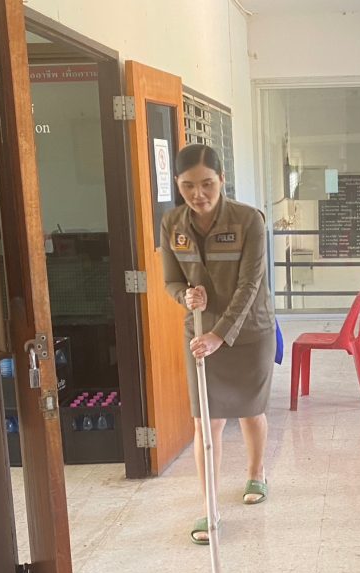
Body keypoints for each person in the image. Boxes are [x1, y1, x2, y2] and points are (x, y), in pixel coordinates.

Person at [160, 144, 275, 544]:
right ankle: (209, 508)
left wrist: (219, 335)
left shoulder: (248, 220)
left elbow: (249, 285)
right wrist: (184, 296)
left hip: (249, 332)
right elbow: (171, 280)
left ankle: (257, 473)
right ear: (178, 184)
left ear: (222, 179)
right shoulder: (172, 224)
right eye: (188, 186)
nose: (199, 194)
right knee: (206, 421)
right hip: (200, 333)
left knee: (250, 411)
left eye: (207, 183)